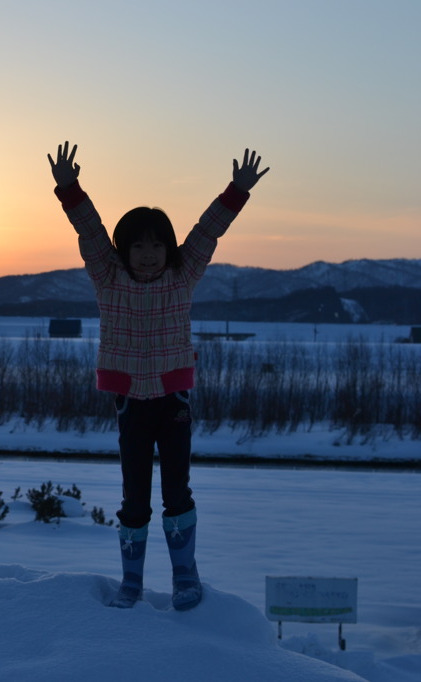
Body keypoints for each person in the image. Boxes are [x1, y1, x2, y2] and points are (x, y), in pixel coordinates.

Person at [47, 142, 268, 610]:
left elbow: (207, 233)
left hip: (173, 399)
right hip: (130, 400)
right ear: (123, 251)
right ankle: (132, 581)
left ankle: (185, 575)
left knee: (176, 490)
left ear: (169, 249)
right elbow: (90, 231)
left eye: (157, 244)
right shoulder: (108, 277)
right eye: (138, 245)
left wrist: (236, 192)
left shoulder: (182, 276)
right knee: (133, 496)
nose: (148, 254)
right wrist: (69, 188)